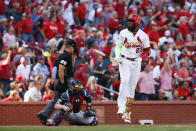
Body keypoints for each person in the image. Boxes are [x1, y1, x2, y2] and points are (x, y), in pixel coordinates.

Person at [114, 14, 150, 123]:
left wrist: (141, 58)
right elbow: (118, 46)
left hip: (136, 62)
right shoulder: (123, 33)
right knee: (124, 81)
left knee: (131, 87)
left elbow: (147, 51)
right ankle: (121, 106)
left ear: (136, 23)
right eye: (128, 21)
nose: (128, 23)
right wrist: (117, 56)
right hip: (124, 60)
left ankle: (127, 113)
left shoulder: (143, 36)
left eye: (131, 21)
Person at [37, 39, 78, 125]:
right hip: (62, 80)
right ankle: (69, 120)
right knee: (66, 101)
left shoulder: (67, 55)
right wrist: (62, 82)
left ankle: (44, 115)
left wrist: (74, 55)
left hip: (61, 80)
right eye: (74, 48)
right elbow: (61, 68)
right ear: (70, 47)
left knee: (57, 100)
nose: (75, 49)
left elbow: (70, 67)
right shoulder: (65, 56)